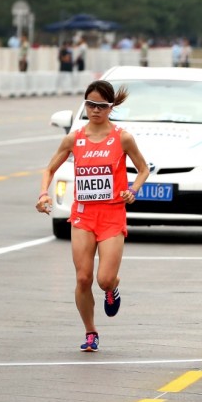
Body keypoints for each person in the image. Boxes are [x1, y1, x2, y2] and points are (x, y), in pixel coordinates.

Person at [37, 81, 149, 352]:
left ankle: (113, 287)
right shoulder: (74, 138)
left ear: (111, 107)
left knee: (104, 279)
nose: (95, 110)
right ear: (85, 105)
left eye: (101, 106)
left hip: (112, 215)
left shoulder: (122, 138)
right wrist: (43, 194)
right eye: (90, 104)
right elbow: (49, 169)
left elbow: (143, 169)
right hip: (83, 216)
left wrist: (133, 190)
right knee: (83, 278)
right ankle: (90, 332)